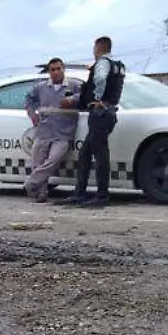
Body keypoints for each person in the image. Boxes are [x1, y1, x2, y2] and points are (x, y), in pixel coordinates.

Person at [58, 36, 124, 208]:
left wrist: (98, 98)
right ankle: (80, 193)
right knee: (85, 154)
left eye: (94, 48)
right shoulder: (118, 65)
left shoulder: (102, 63)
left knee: (100, 155)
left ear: (98, 48)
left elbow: (100, 79)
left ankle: (101, 195)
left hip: (100, 113)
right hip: (108, 112)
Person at [23, 57, 82, 203]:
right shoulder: (41, 87)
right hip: (44, 131)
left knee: (53, 160)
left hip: (63, 133)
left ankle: (30, 183)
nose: (56, 72)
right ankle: (42, 192)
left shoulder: (73, 85)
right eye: (52, 70)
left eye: (58, 69)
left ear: (64, 69)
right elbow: (28, 100)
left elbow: (86, 96)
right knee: (37, 161)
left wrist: (72, 100)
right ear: (49, 71)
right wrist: (32, 115)